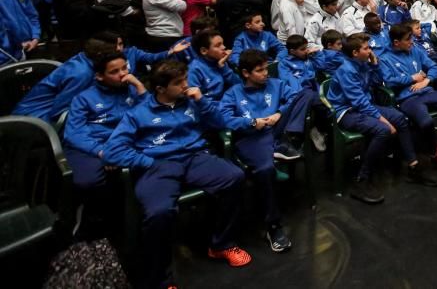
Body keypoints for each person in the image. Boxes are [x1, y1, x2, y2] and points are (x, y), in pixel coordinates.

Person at [104, 60, 253, 289]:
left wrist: (202, 101)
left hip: (194, 157)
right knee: (159, 212)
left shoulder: (193, 102)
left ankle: (221, 244)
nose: (185, 85)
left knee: (234, 177)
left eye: (185, 79)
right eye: (178, 83)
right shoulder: (139, 113)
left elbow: (222, 122)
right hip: (159, 163)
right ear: (161, 89)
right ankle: (161, 279)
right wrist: (146, 161)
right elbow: (113, 151)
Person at [324, 33, 437, 204]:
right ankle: (361, 180)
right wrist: (383, 120)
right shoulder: (346, 70)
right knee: (383, 130)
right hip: (346, 112)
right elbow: (359, 102)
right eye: (367, 48)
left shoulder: (362, 63)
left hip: (363, 106)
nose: (371, 50)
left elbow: (378, 82)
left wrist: (375, 63)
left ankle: (413, 165)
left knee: (400, 118)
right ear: (355, 53)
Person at [221, 49, 311, 252]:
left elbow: (294, 98)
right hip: (253, 136)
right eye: (260, 70)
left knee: (306, 93)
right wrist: (251, 122)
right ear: (246, 73)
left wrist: (279, 113)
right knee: (264, 170)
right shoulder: (233, 92)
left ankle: (286, 140)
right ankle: (273, 226)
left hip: (278, 129)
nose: (266, 73)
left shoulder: (276, 84)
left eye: (265, 68)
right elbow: (224, 118)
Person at [62, 52, 146, 238]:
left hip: (123, 143)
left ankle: (130, 218)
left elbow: (148, 117)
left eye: (124, 68)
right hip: (92, 146)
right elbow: (74, 133)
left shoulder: (132, 89)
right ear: (100, 76)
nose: (123, 74)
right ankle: (89, 222)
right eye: (114, 71)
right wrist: (102, 151)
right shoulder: (84, 98)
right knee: (88, 182)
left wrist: (140, 87)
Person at [379, 23, 437, 172]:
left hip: (427, 90)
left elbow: (435, 66)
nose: (412, 41)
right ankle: (434, 153)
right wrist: (412, 78)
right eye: (408, 39)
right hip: (407, 98)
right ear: (396, 42)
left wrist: (427, 80)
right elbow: (389, 81)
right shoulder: (384, 58)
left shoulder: (414, 49)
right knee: (426, 122)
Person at [13, 34, 118, 121]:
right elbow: (60, 112)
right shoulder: (82, 74)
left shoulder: (84, 58)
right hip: (35, 118)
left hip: (34, 113)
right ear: (100, 55)